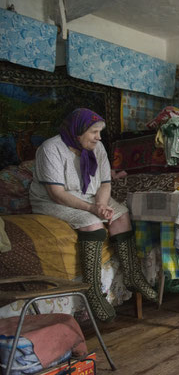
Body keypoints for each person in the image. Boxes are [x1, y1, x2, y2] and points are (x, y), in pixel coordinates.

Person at [29, 108, 158, 322]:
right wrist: (93, 210)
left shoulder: (97, 148)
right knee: (92, 223)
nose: (99, 137)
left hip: (90, 197)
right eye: (94, 132)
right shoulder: (50, 149)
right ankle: (93, 291)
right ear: (77, 132)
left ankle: (133, 275)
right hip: (52, 201)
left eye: (99, 132)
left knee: (121, 215)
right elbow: (57, 193)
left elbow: (105, 182)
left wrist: (101, 203)